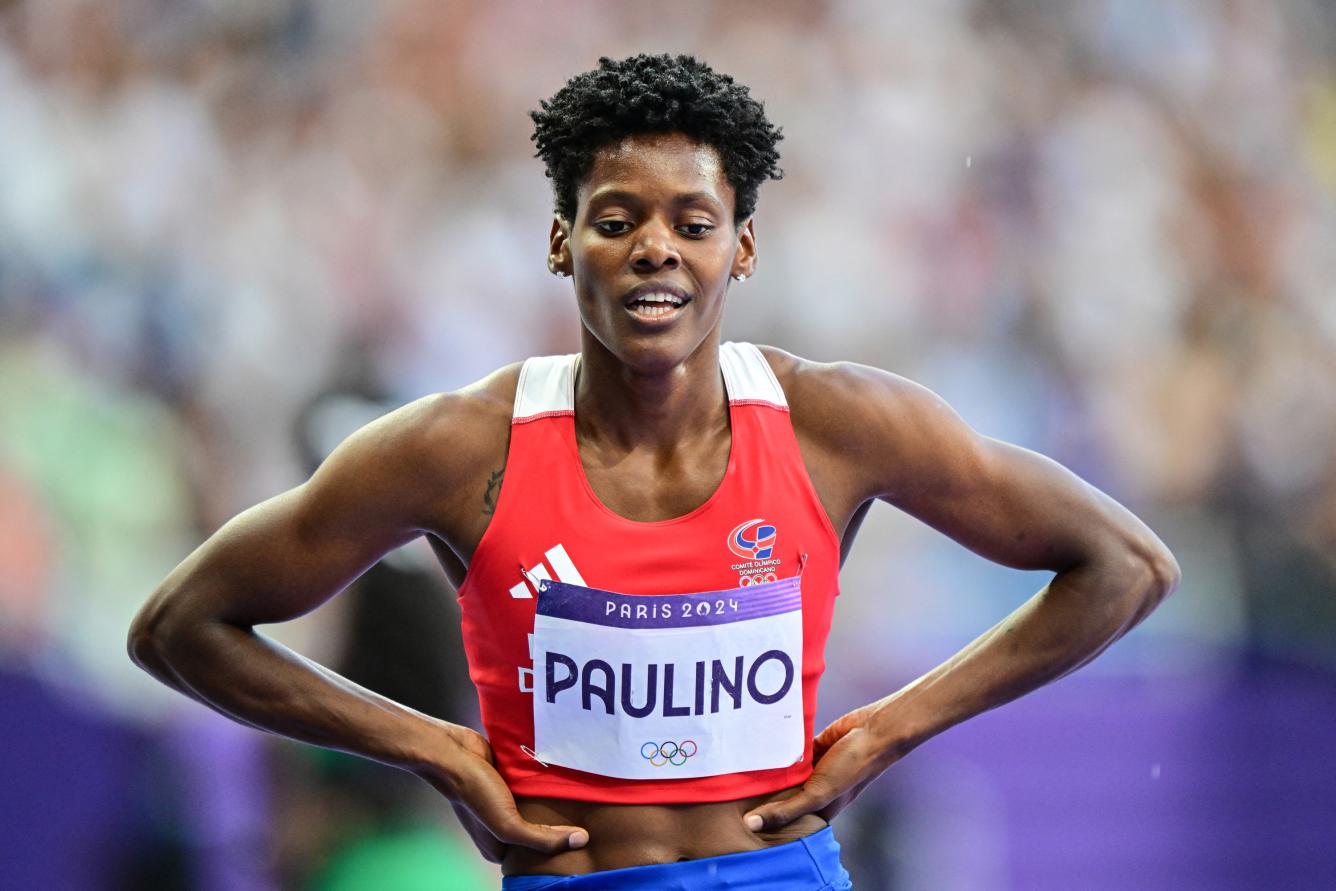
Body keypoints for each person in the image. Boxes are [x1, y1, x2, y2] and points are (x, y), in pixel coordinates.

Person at [128, 54, 1181, 888]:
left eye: (693, 223)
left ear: (742, 248)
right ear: (561, 239)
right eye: (617, 219)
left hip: (782, 878)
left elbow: (1125, 564)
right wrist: (436, 751)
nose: (655, 251)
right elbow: (179, 626)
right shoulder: (461, 447)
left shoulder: (834, 424)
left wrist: (892, 731)